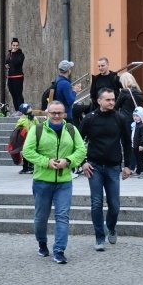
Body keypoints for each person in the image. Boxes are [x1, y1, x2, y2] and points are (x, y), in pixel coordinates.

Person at [21, 100, 87, 264]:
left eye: (60, 113)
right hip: (42, 181)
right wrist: (46, 162)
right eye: (53, 113)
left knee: (62, 216)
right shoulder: (37, 130)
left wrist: (68, 161)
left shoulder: (71, 130)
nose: (56, 116)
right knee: (41, 217)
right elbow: (27, 151)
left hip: (64, 181)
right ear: (47, 114)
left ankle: (59, 250)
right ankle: (42, 242)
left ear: (64, 114)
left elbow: (81, 150)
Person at [80, 88, 132, 251]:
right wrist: (83, 162)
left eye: (113, 99)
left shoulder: (120, 118)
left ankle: (111, 226)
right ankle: (99, 237)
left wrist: (128, 166)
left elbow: (126, 143)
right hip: (94, 167)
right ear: (99, 101)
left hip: (112, 167)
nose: (111, 102)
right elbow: (77, 141)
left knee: (114, 204)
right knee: (96, 203)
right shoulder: (89, 119)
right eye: (108, 100)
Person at [14, 103, 37, 174]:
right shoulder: (22, 120)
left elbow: (38, 126)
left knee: (32, 152)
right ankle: (25, 167)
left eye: (30, 107)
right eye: (28, 108)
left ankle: (31, 167)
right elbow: (17, 129)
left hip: (33, 138)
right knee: (25, 153)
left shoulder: (34, 118)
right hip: (25, 139)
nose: (30, 109)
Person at [5, 37, 25, 110]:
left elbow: (17, 62)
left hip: (18, 77)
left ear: (18, 46)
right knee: (13, 95)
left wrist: (13, 54)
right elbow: (7, 62)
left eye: (16, 45)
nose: (15, 47)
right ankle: (17, 110)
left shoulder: (20, 54)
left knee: (18, 94)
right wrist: (6, 66)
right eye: (14, 45)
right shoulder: (9, 54)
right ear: (11, 46)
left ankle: (22, 110)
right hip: (10, 77)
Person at [131, 106, 143, 179]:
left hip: (140, 145)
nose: (135, 117)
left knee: (140, 158)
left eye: (137, 116)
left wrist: (141, 144)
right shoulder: (134, 125)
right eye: (134, 116)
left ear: (141, 116)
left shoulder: (142, 126)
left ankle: (142, 171)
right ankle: (138, 171)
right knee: (137, 158)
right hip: (135, 144)